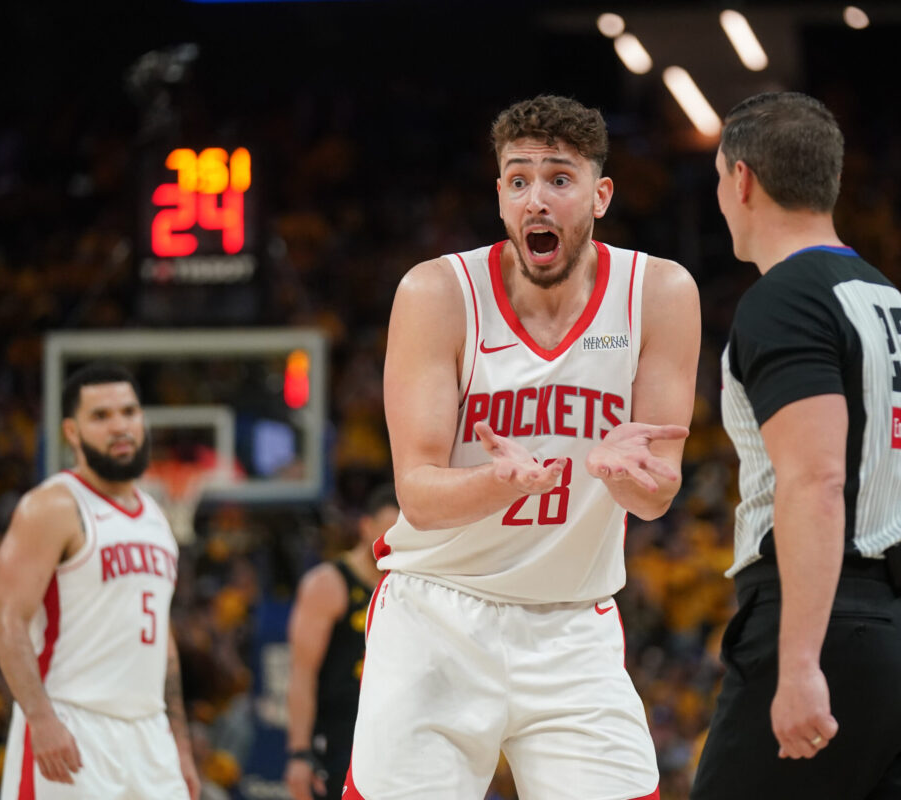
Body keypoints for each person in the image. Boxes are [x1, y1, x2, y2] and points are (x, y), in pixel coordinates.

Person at [345, 94, 700, 799]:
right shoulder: (437, 293)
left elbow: (659, 495)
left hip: (571, 623)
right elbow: (416, 490)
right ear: (500, 195)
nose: (536, 199)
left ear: (599, 195)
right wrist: (499, 484)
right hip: (437, 613)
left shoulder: (659, 292)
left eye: (559, 179)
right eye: (518, 179)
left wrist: (627, 478)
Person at [691, 91, 901, 799]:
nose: (720, 198)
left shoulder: (785, 299)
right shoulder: (887, 297)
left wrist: (800, 661)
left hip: (832, 628)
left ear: (743, 180)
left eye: (719, 179)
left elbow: (814, 478)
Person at [0, 363, 200, 800]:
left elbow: (162, 639)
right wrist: (41, 719)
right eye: (101, 416)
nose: (119, 426)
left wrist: (179, 743)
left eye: (128, 411)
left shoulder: (158, 518)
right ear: (72, 431)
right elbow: (8, 623)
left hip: (150, 733)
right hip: (72, 723)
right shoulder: (51, 506)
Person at [284, 486, 398, 800]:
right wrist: (299, 753)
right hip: (339, 736)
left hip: (393, 732)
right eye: (387, 532)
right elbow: (302, 673)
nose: (393, 542)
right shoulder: (328, 583)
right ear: (366, 527)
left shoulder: (408, 584)